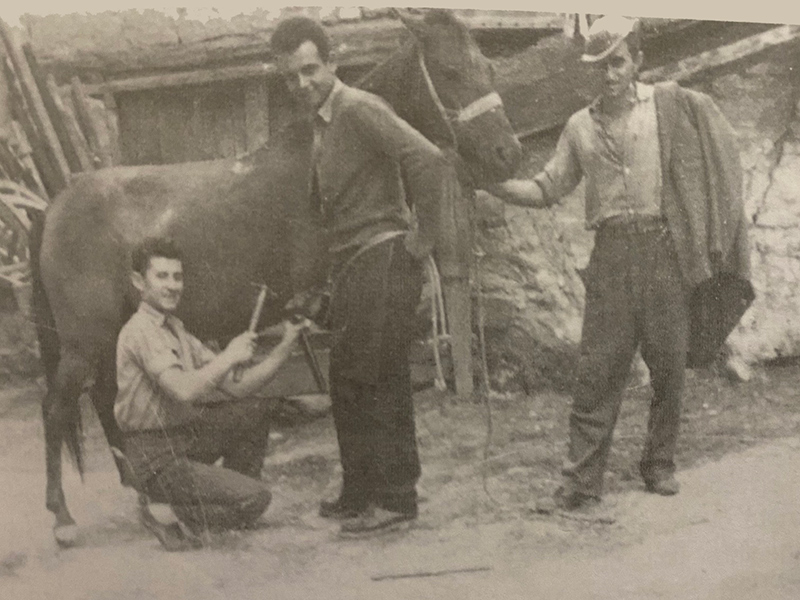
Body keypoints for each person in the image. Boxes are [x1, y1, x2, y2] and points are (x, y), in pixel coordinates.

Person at [487, 16, 751, 510]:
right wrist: (490, 184)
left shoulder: (667, 108)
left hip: (662, 252)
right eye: (599, 66)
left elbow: (715, 159)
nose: (608, 74)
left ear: (637, 62)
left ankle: (659, 464)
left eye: (617, 63)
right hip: (610, 256)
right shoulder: (578, 127)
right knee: (598, 371)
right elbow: (545, 188)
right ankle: (581, 482)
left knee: (669, 367)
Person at [271, 16, 458, 534]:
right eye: (290, 77)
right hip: (352, 265)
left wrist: (422, 241)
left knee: (379, 378)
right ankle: (359, 491)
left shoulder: (358, 107)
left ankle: (395, 498)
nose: (302, 84)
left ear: (332, 63)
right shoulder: (322, 124)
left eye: (310, 70)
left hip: (384, 256)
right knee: (347, 378)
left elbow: (428, 160)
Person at [115, 237, 308, 550]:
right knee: (257, 499)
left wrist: (287, 344)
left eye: (177, 277)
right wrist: (229, 355)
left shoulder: (175, 328)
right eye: (161, 276)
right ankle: (167, 511)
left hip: (183, 440)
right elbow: (183, 389)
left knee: (255, 408)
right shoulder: (141, 330)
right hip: (155, 456)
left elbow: (239, 387)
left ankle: (224, 492)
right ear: (139, 281)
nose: (172, 286)